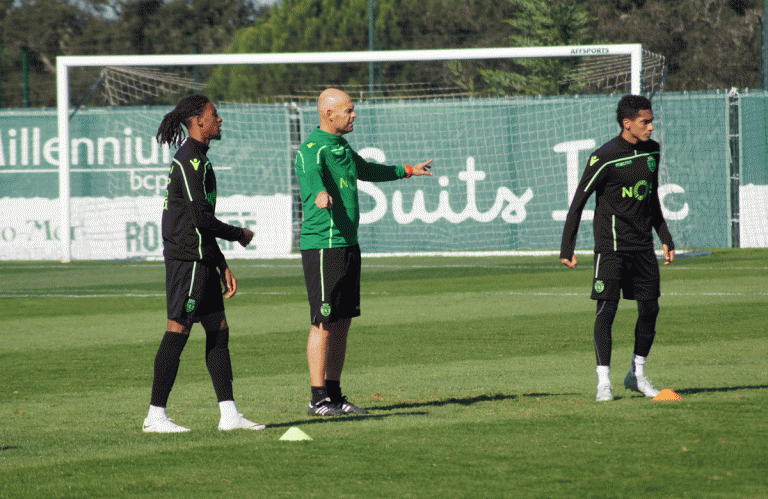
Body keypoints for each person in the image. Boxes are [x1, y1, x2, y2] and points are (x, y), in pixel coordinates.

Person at [295, 88, 433, 416]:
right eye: (348, 110)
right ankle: (317, 398)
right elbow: (311, 176)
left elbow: (367, 171)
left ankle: (335, 395)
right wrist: (319, 194)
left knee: (342, 322)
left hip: (347, 244)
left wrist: (408, 170)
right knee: (324, 322)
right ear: (329, 114)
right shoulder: (311, 148)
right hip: (323, 245)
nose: (354, 115)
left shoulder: (341, 145)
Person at [142, 94, 264, 432]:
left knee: (218, 330)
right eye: (214, 114)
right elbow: (201, 220)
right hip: (188, 260)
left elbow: (202, 220)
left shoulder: (199, 158)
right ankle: (155, 416)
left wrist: (221, 263)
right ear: (198, 121)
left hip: (202, 258)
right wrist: (239, 233)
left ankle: (230, 415)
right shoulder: (190, 160)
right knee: (178, 329)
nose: (220, 119)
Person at [559, 94, 675, 402]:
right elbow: (578, 203)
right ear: (628, 124)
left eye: (651, 121)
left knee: (650, 309)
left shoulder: (653, 151)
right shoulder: (605, 156)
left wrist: (665, 236)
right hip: (610, 248)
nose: (651, 127)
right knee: (607, 309)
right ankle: (603, 383)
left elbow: (650, 199)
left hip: (643, 248)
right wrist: (566, 248)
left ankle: (637, 374)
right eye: (645, 122)